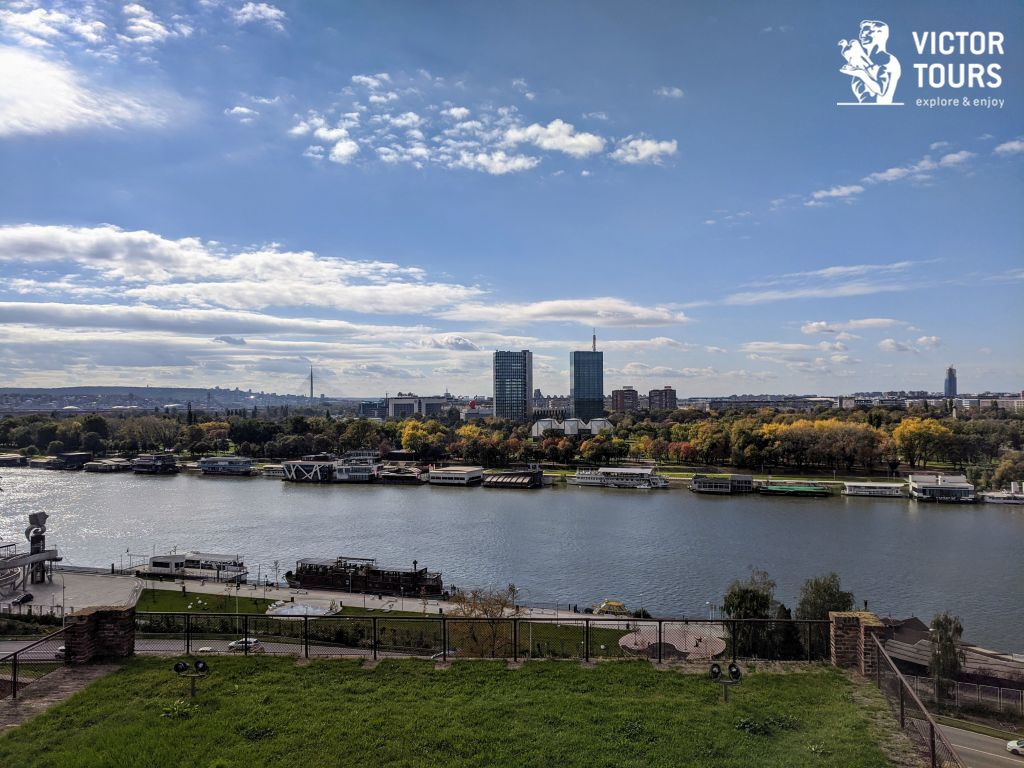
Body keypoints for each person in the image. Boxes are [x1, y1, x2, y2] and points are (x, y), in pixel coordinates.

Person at [843, 20, 901, 104]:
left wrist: (860, 73)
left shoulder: (887, 59)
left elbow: (881, 90)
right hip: (866, 112)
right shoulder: (868, 60)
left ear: (880, 34)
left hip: (882, 111)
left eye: (868, 33)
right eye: (862, 33)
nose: (862, 36)